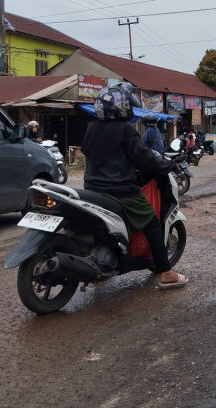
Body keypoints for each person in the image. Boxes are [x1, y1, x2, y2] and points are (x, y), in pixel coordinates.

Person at [81, 81, 187, 290]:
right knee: (151, 222)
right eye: (128, 105)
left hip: (92, 189)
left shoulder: (91, 128)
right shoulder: (125, 131)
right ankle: (166, 273)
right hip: (120, 191)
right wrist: (169, 164)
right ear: (121, 107)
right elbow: (146, 158)